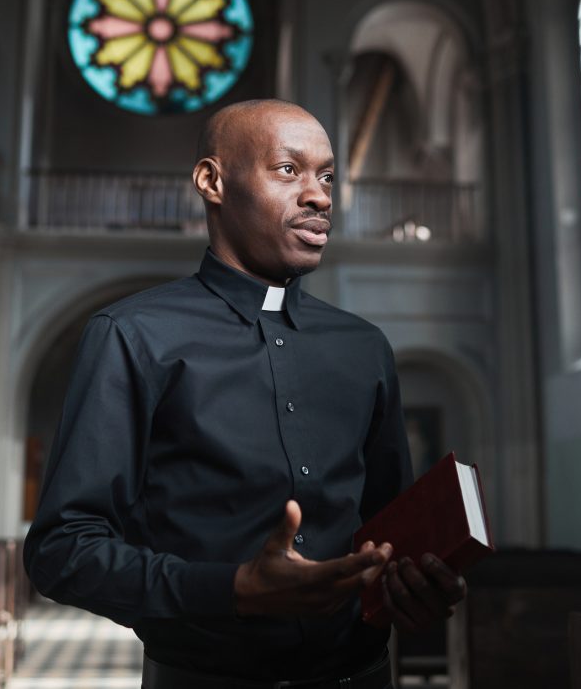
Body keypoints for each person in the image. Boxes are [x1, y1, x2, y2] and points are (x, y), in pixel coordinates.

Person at [24, 99, 466, 689]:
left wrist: (415, 584)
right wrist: (231, 591)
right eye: (289, 171)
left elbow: (387, 534)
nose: (320, 197)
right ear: (212, 181)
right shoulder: (132, 337)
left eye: (327, 176)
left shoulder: (364, 348)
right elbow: (61, 551)